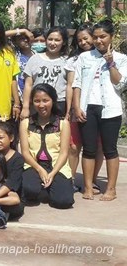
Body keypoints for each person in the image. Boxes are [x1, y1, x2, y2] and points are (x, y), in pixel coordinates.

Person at [73, 19, 127, 201]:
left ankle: (110, 189)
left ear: (111, 37)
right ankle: (88, 187)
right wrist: (77, 106)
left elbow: (119, 83)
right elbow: (77, 83)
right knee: (88, 149)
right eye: (95, 37)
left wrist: (111, 63)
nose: (98, 41)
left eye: (103, 36)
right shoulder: (84, 57)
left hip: (110, 109)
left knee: (110, 149)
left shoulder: (122, 58)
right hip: (88, 107)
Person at [19, 83, 74, 209]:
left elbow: (64, 153)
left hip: (56, 165)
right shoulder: (26, 123)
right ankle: (41, 188)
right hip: (34, 165)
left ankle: (52, 186)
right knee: (29, 191)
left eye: (45, 100)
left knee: (63, 201)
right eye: (37, 101)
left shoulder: (62, 123)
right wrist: (40, 170)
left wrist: (52, 173)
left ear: (53, 101)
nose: (41, 105)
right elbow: (25, 153)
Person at [65, 24, 103, 192]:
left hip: (100, 109)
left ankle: (92, 180)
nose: (83, 42)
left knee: (98, 146)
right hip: (77, 108)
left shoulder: (104, 57)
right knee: (74, 147)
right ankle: (71, 180)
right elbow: (71, 85)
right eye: (79, 40)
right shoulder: (73, 60)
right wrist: (71, 109)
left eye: (86, 38)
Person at [21, 27, 70, 120]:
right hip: (38, 104)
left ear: (63, 42)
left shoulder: (68, 61)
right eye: (50, 39)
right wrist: (25, 107)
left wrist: (68, 110)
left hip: (59, 104)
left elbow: (70, 86)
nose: (52, 43)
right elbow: (28, 84)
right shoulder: (34, 59)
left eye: (57, 40)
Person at [10, 27, 34, 98]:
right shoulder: (12, 54)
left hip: (34, 97)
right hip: (18, 96)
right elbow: (1, 35)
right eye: (21, 38)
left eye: (27, 37)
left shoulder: (38, 56)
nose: (26, 40)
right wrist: (23, 30)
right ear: (15, 41)